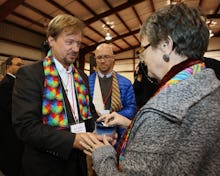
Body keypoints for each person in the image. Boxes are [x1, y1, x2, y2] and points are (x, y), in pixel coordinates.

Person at [79, 3, 220, 175]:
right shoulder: (210, 86)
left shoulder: (161, 111)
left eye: (143, 48)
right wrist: (131, 123)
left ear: (166, 45)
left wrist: (102, 154)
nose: (143, 57)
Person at [12, 14, 100, 176]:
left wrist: (101, 129)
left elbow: (90, 113)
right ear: (51, 40)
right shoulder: (31, 74)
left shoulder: (82, 77)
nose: (75, 49)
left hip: (78, 164)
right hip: (45, 166)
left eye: (78, 43)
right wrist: (73, 140)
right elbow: (26, 127)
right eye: (69, 42)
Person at [88, 43, 136, 144]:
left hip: (118, 134)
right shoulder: (87, 82)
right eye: (99, 57)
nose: (102, 60)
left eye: (106, 57)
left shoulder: (125, 83)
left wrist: (114, 116)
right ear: (95, 59)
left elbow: (131, 108)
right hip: (94, 133)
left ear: (113, 58)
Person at [0, 56, 24, 176]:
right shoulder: (6, 83)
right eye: (18, 64)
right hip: (10, 129)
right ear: (9, 67)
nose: (21, 67)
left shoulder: (16, 82)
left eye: (22, 64)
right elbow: (10, 107)